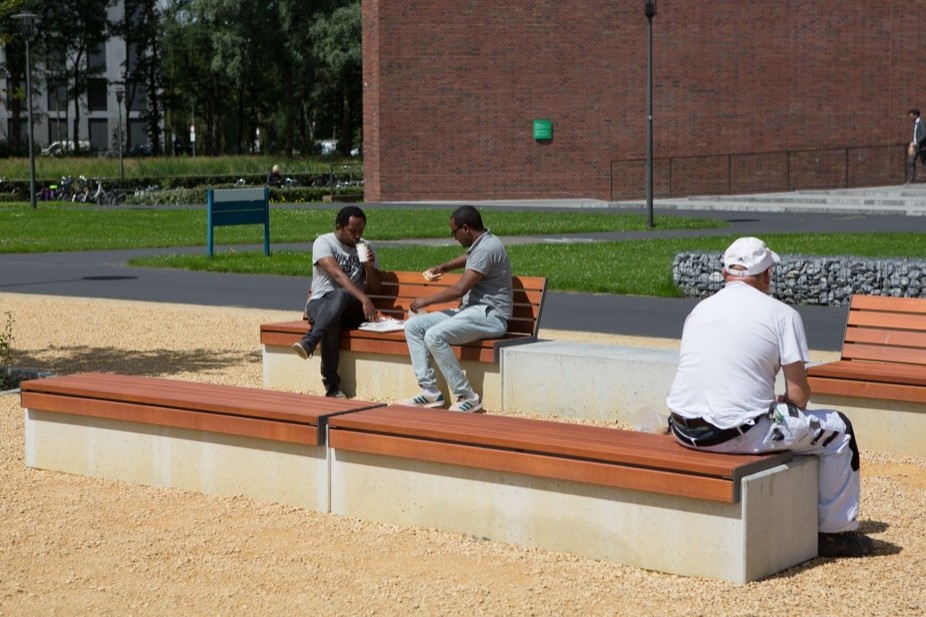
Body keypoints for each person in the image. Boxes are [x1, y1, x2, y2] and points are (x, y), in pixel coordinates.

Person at [666, 237, 875, 559]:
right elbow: (799, 396)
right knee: (839, 431)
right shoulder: (781, 315)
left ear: (725, 273)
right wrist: (779, 402)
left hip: (683, 430)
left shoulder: (700, 310)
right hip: (734, 434)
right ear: (767, 276)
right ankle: (835, 534)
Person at [401, 205, 513, 413]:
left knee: (434, 336)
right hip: (472, 312)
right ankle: (430, 391)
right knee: (413, 325)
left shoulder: (487, 248)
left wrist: (427, 300)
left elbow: (460, 288)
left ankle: (467, 396)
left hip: (491, 316)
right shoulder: (482, 244)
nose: (454, 238)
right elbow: (469, 258)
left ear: (466, 229)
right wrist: (443, 267)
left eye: (454, 232)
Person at [291, 205, 381, 398]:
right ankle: (332, 387)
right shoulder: (323, 242)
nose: (357, 236)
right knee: (333, 316)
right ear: (339, 228)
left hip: (352, 307)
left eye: (361, 231)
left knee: (341, 296)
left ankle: (310, 341)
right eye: (353, 231)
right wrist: (364, 298)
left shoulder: (366, 247)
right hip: (320, 302)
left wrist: (369, 268)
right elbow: (337, 274)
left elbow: (375, 289)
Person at [908, 109, 926, 183]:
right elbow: (915, 135)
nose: (910, 117)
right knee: (911, 161)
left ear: (916, 115)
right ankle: (911, 178)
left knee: (924, 162)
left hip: (922, 147)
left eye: (911, 116)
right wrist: (912, 142)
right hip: (915, 147)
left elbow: (924, 135)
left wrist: (916, 142)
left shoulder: (921, 122)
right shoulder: (915, 123)